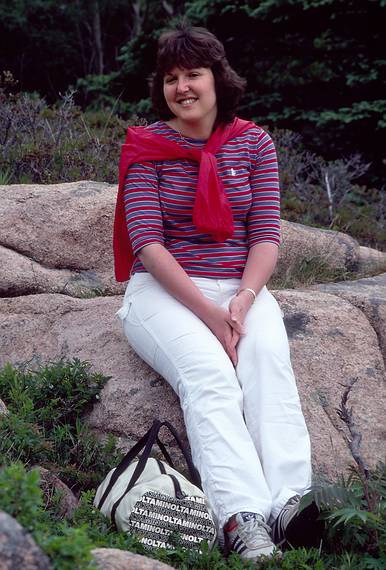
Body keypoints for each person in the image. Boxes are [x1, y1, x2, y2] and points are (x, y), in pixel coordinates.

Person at [114, 25, 322, 562]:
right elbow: (148, 244)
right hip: (163, 293)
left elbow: (266, 235)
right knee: (210, 377)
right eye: (171, 78)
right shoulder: (146, 147)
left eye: (193, 75)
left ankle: (290, 503)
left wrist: (244, 300)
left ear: (216, 78)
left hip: (241, 289)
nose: (182, 87)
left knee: (268, 362)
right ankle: (242, 518)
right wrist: (211, 314)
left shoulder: (254, 142)